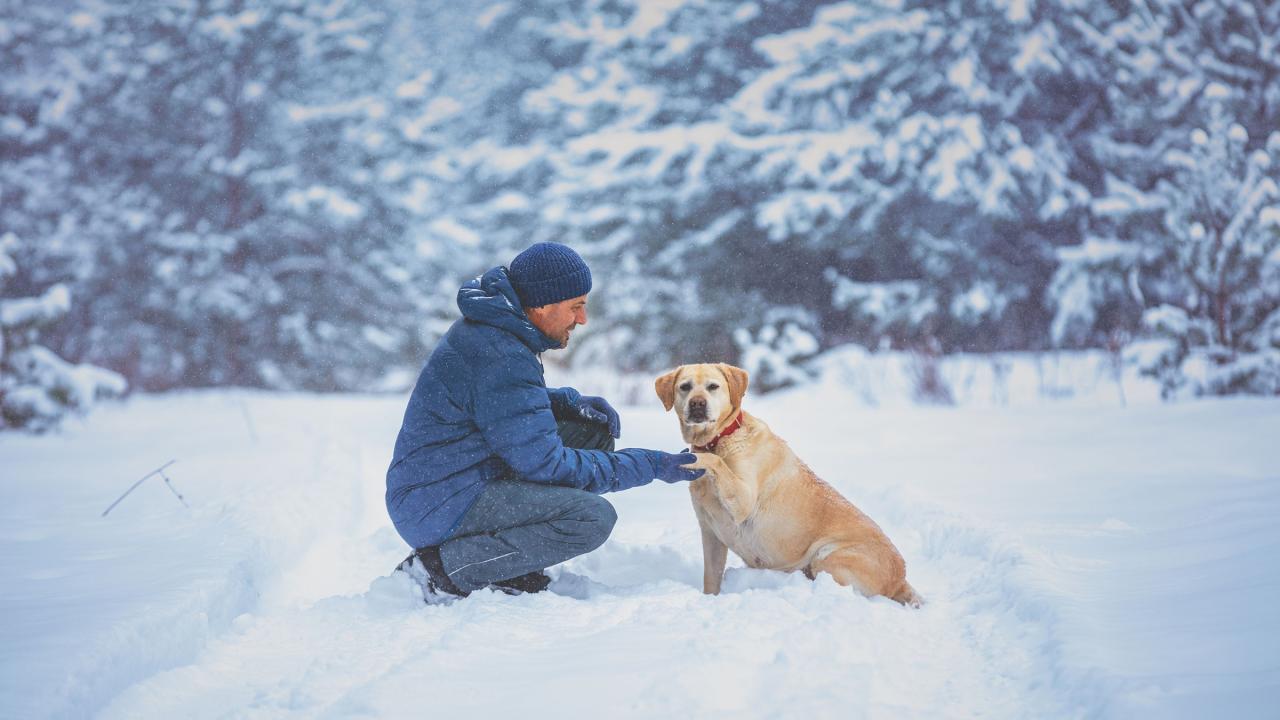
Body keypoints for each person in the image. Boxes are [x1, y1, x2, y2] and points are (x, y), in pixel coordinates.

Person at [386, 242, 703, 600]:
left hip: (447, 480)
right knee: (590, 519)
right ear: (541, 306)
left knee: (590, 435)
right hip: (437, 504)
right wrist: (651, 464)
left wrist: (567, 403)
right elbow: (548, 465)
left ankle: (507, 562)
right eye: (576, 307)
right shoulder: (499, 351)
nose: (582, 319)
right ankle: (443, 571)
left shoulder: (497, 330)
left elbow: (497, 403)